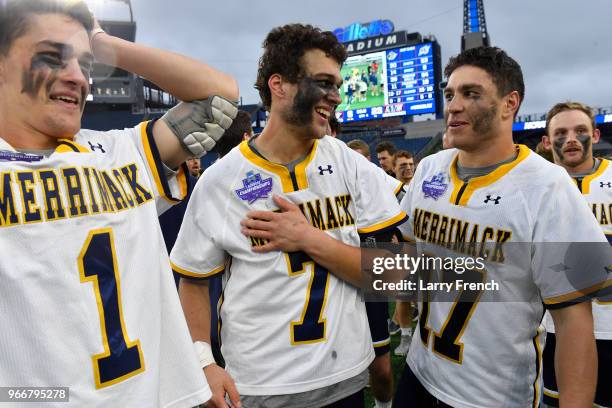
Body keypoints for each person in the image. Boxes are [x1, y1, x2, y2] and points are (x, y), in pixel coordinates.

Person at [0, 1, 238, 406]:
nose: (77, 77)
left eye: (85, 64)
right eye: (52, 57)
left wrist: (102, 43)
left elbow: (220, 96)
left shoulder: (119, 151)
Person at [170, 23, 406, 408]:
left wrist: (309, 238)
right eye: (324, 83)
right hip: (262, 389)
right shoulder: (220, 181)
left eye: (337, 86)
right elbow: (194, 283)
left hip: (346, 381)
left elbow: (395, 274)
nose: (336, 97)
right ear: (278, 86)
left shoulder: (347, 162)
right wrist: (203, 361)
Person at [395, 46, 607, 407]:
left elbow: (573, 322)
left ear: (510, 103)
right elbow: (406, 256)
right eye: (450, 94)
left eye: (471, 93)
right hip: (420, 370)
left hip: (491, 394)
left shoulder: (548, 187)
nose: (454, 105)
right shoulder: (429, 168)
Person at [541, 101, 612, 408]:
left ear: (595, 135)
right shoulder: (536, 189)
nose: (571, 138)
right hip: (554, 328)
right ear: (546, 141)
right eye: (561, 132)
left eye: (580, 130)